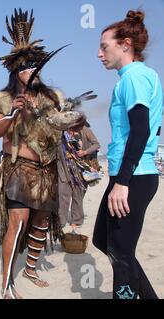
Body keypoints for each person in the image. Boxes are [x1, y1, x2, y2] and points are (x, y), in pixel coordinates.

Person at [0, 9, 87, 299]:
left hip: (48, 169)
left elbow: (65, 122)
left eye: (37, 66)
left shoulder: (54, 98)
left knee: (41, 222)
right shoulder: (2, 99)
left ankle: (29, 268)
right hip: (20, 169)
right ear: (17, 72)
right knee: (18, 224)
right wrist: (14, 112)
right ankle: (6, 284)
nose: (35, 72)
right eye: (28, 68)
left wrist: (76, 118)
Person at [93, 10, 162, 299]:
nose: (99, 54)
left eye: (104, 46)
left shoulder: (134, 77)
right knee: (103, 240)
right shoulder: (132, 78)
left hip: (133, 176)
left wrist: (122, 182)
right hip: (128, 174)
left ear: (125, 45)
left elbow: (141, 131)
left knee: (120, 252)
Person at [57, 127, 98, 233]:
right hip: (64, 169)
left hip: (81, 170)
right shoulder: (60, 130)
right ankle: (61, 222)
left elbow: (96, 144)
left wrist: (85, 152)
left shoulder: (84, 129)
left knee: (78, 197)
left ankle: (77, 220)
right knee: (63, 197)